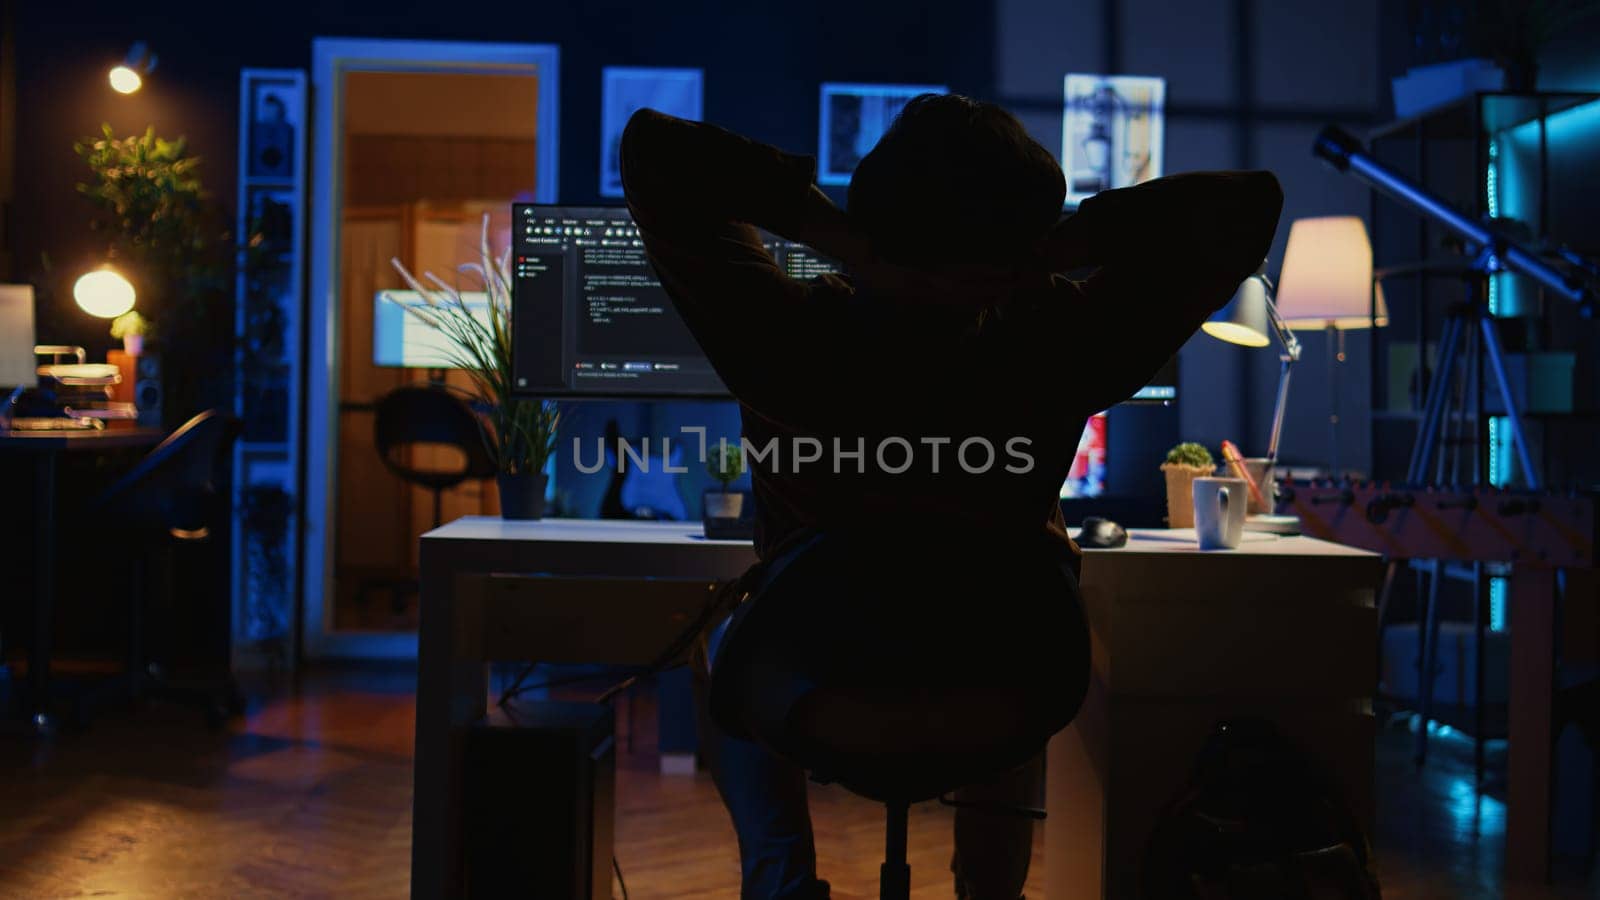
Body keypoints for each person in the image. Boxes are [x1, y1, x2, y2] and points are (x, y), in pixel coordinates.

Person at [620, 95, 1283, 900]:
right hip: (1009, 696)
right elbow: (1244, 207)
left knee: (720, 634)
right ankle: (989, 892)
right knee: (1017, 617)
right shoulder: (1060, 344)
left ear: (877, 219)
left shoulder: (782, 339)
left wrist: (845, 242)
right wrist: (1048, 252)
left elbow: (654, 154)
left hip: (812, 691)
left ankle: (782, 878)